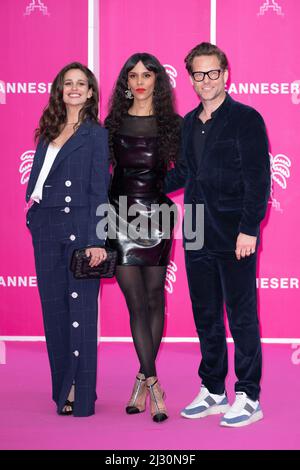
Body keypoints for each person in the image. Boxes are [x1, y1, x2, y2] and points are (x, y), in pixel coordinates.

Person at [164, 42, 270, 427]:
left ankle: (248, 395)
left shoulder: (247, 118)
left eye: (213, 73)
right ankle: (212, 390)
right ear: (190, 78)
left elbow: (259, 181)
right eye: (198, 74)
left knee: (241, 316)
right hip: (195, 230)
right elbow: (184, 174)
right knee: (206, 314)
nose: (205, 80)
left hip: (233, 233)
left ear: (225, 74)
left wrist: (249, 229)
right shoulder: (188, 123)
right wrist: (139, 184)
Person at [25, 62, 110, 417]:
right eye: (68, 83)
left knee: (82, 313)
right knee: (55, 312)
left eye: (81, 84)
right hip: (45, 225)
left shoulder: (95, 134)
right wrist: (32, 213)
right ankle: (63, 388)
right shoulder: (48, 129)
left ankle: (82, 392)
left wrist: (96, 240)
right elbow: (41, 177)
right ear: (60, 90)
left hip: (79, 228)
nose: (74, 88)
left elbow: (98, 189)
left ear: (90, 93)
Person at [105, 53, 181, 422]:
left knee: (154, 297)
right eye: (132, 75)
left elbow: (185, 172)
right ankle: (154, 382)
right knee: (136, 302)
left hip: (157, 217)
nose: (139, 80)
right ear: (125, 82)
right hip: (117, 217)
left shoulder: (172, 124)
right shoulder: (112, 123)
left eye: (146, 75)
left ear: (157, 81)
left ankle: (140, 381)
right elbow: (102, 174)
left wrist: (159, 191)